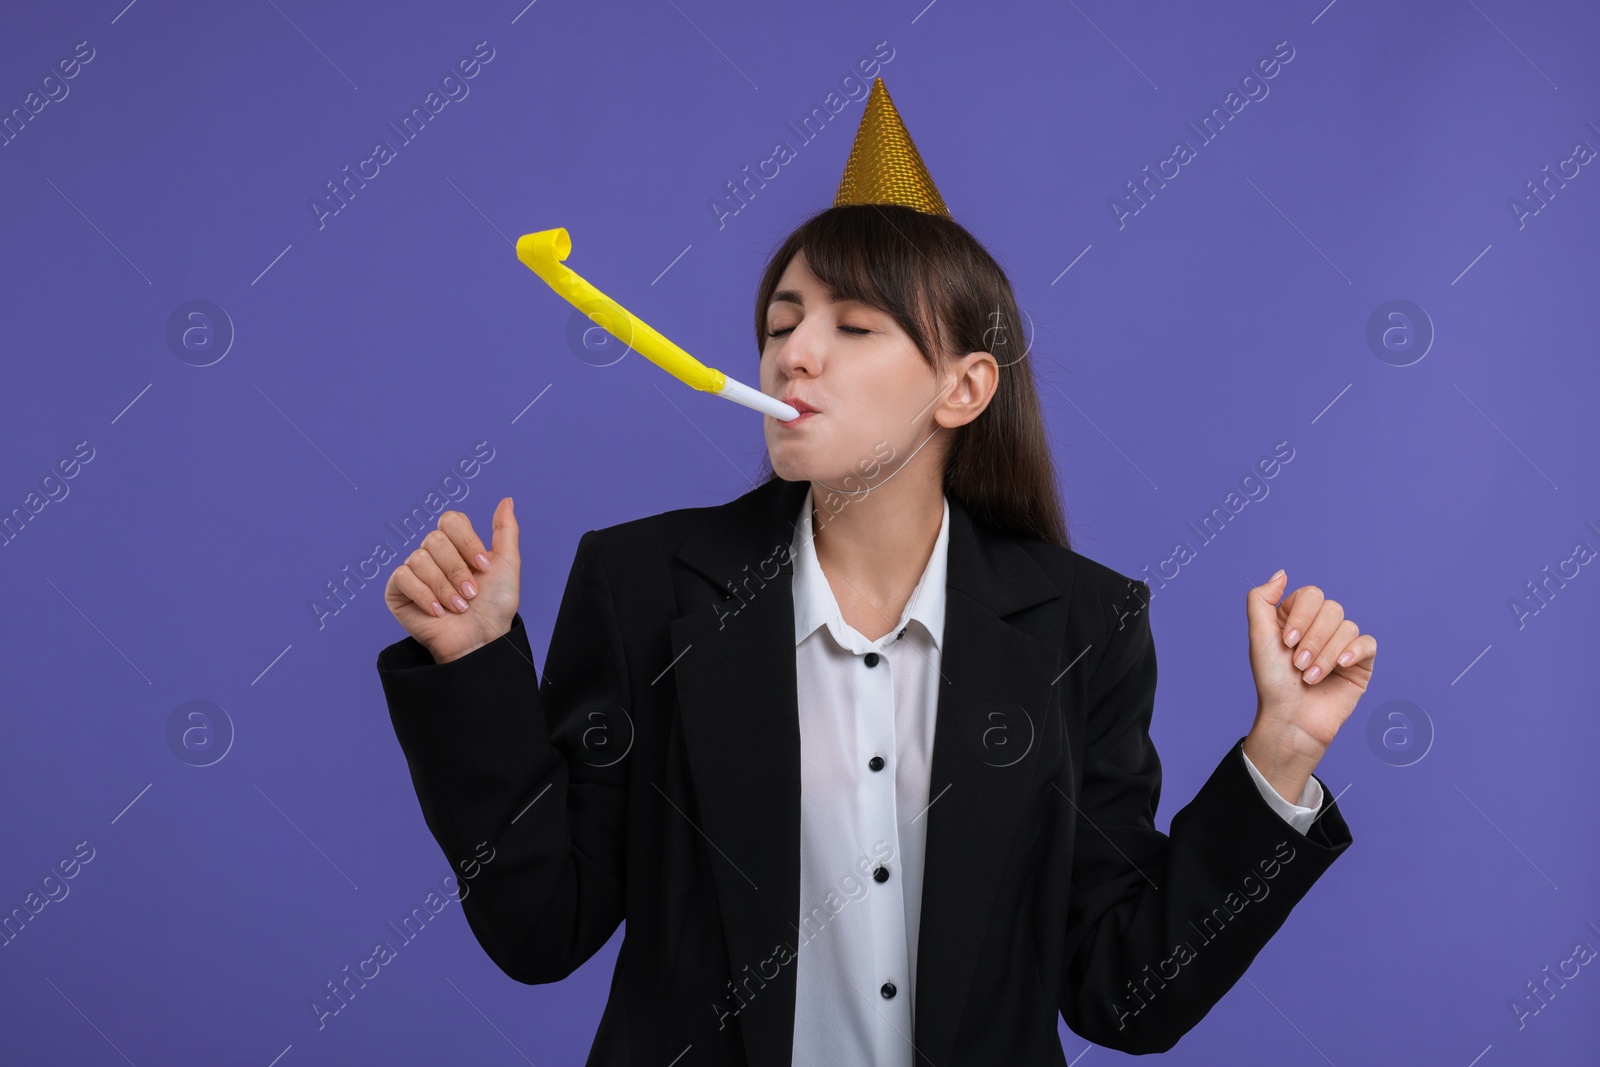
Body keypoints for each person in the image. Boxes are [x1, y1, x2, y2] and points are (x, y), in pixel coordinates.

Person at [375, 79, 1370, 1066]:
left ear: (963, 386)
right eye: (780, 323)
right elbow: (541, 926)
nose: (793, 355)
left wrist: (1278, 753)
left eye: (852, 327)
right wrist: (473, 669)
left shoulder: (1084, 624)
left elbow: (1122, 992)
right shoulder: (641, 585)